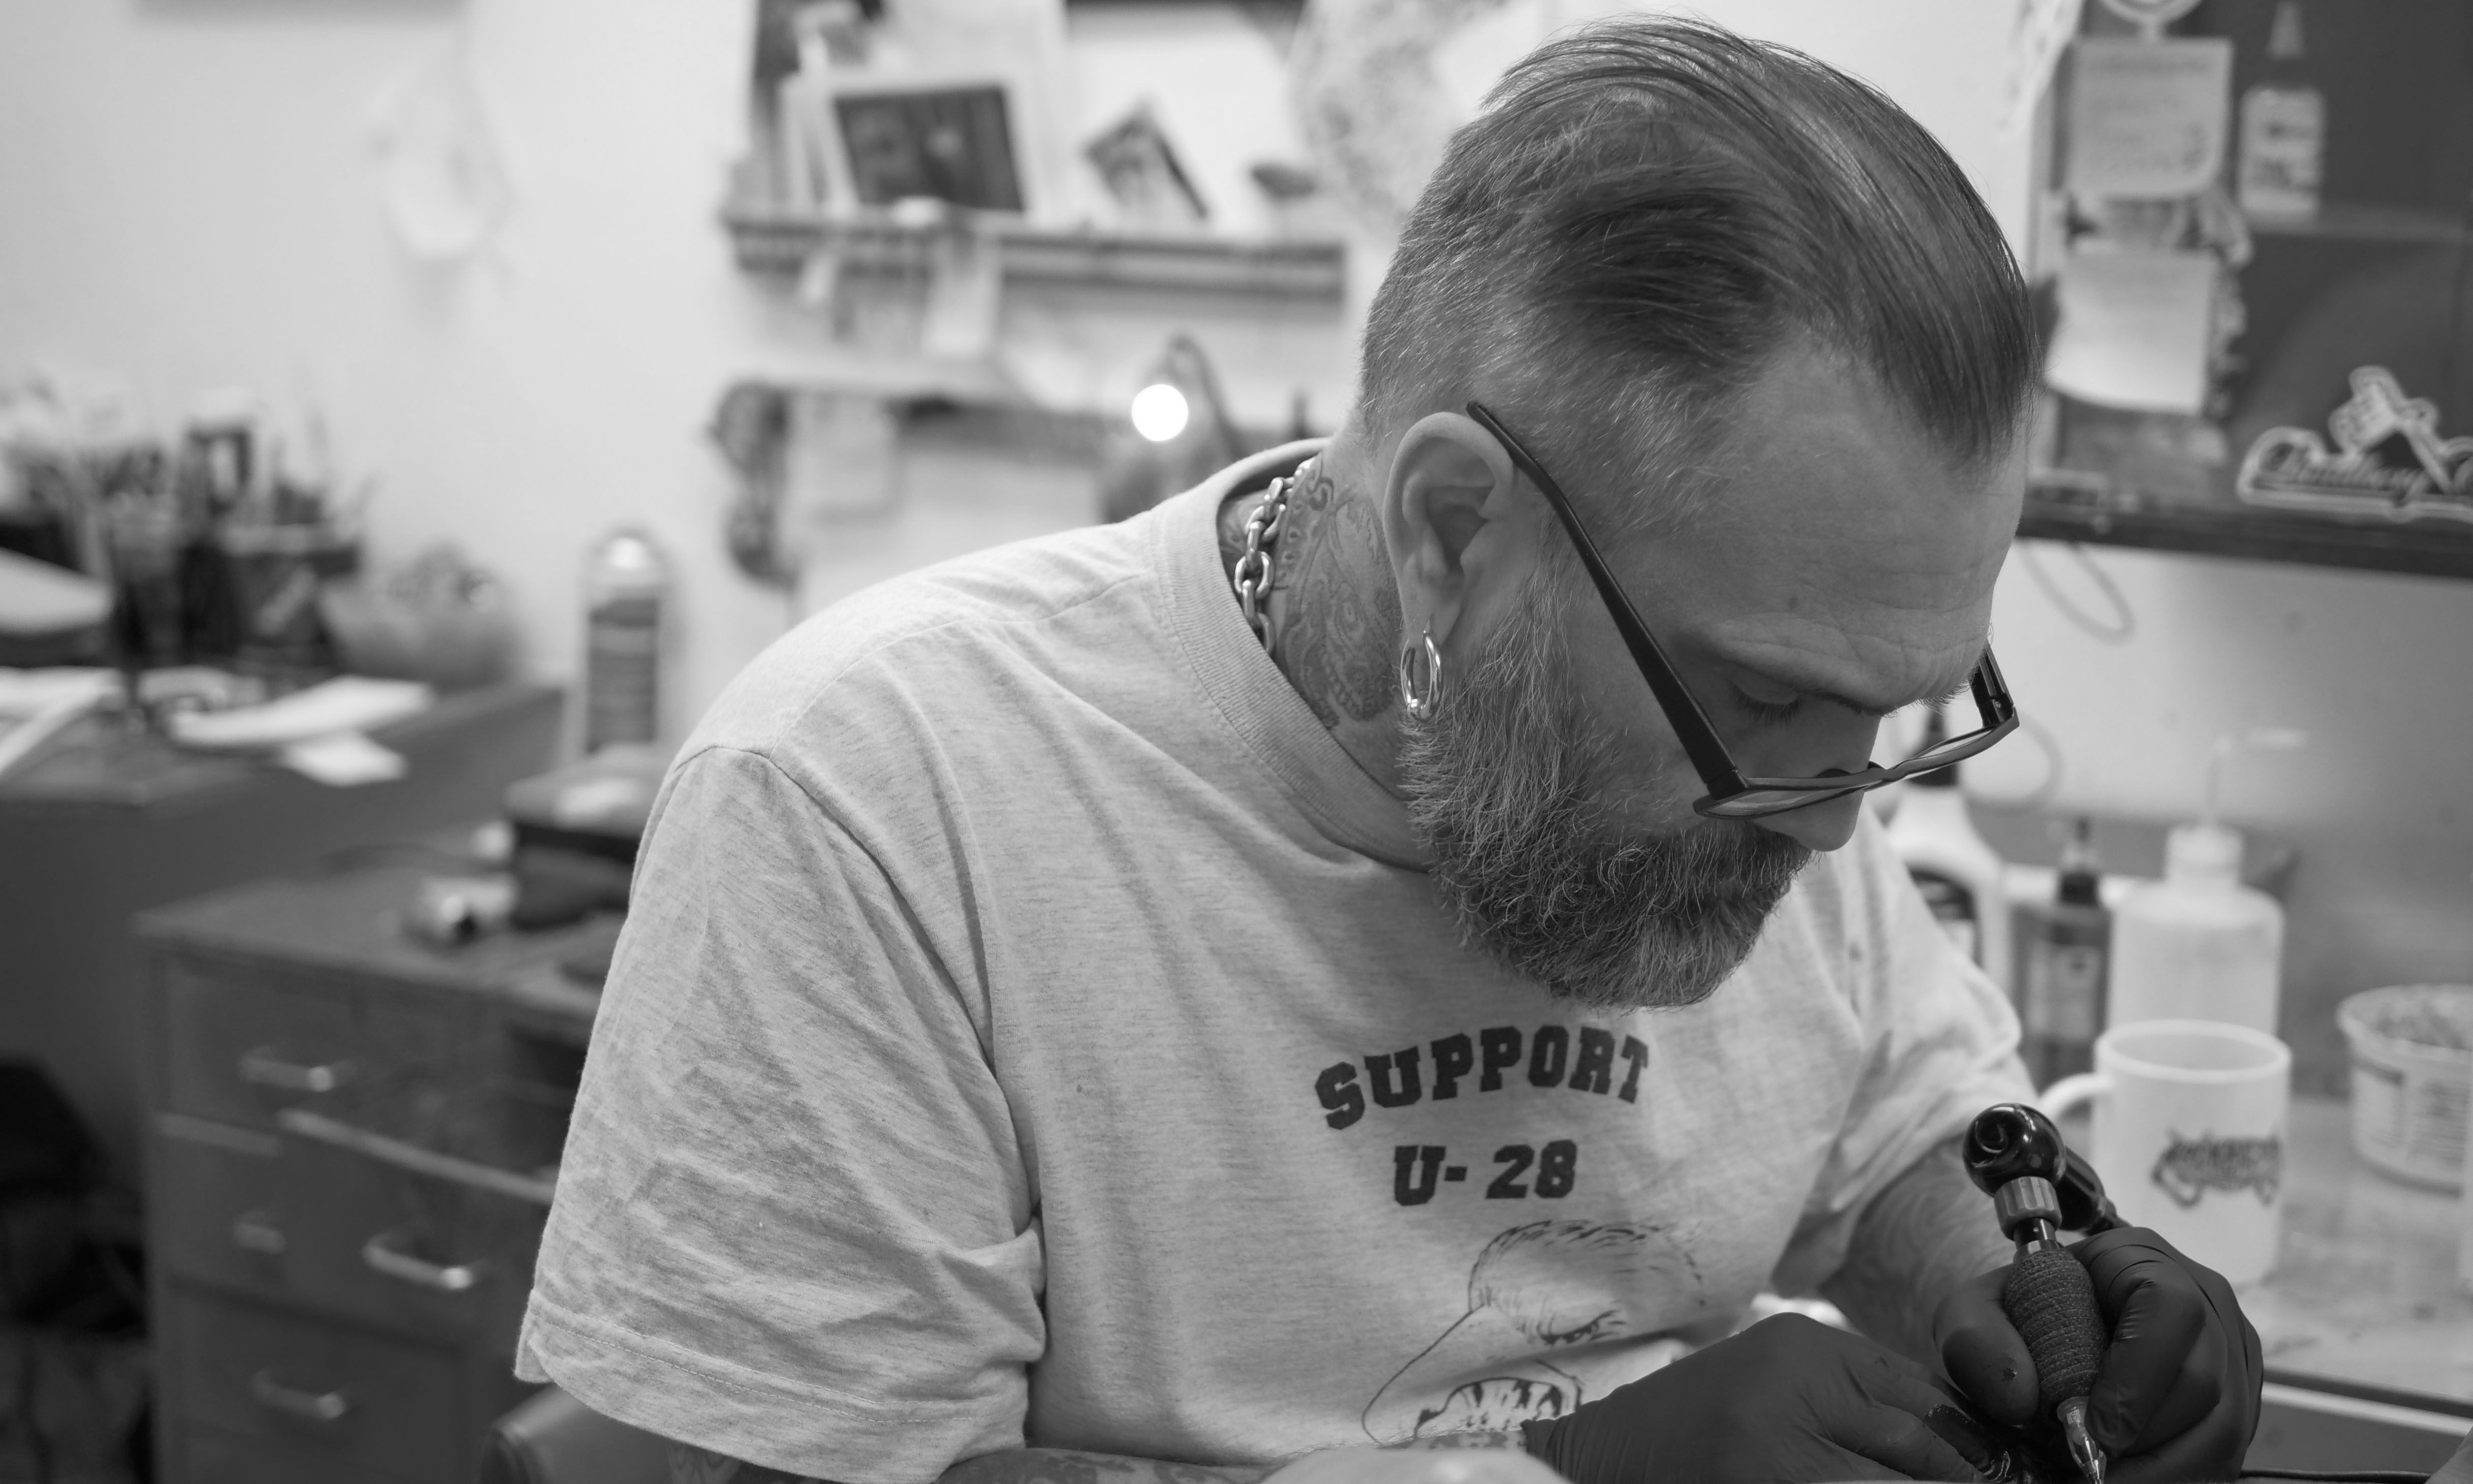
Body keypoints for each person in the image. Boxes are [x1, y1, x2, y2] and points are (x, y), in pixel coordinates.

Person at [518, 19, 2260, 1484]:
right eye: (1763, 701)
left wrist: (2049, 1286)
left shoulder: (1771, 756)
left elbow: (1904, 1130)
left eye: (1891, 713)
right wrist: (1558, 1480)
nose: (1823, 827)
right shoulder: (875, 800)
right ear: (1449, 530)